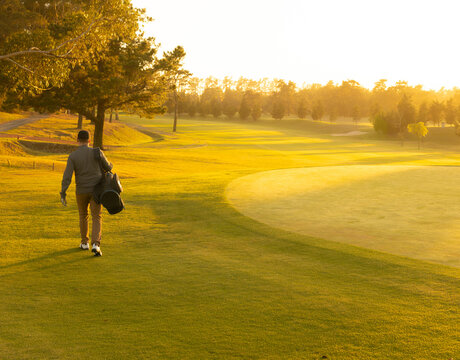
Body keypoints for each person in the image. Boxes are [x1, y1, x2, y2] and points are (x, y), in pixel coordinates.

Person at [60, 130, 112, 256]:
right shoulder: (97, 152)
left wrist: (63, 192)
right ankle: (96, 244)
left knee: (83, 215)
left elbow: (67, 176)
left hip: (81, 191)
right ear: (89, 140)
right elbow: (109, 168)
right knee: (96, 216)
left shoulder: (73, 156)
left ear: (77, 140)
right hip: (96, 191)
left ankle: (84, 243)